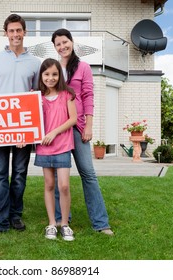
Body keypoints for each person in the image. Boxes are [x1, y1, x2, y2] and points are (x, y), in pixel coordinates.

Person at [0, 14, 41, 239]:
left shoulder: (35, 63)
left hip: (23, 128)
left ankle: (15, 214)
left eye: (19, 30)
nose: (15, 34)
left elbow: (35, 96)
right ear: (6, 33)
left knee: (20, 173)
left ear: (25, 32)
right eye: (11, 31)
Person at [51, 28, 114, 235]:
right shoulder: (53, 69)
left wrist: (88, 125)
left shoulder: (84, 67)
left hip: (77, 128)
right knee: (61, 177)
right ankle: (62, 219)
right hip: (58, 130)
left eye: (65, 42)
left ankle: (101, 223)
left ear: (72, 42)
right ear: (55, 47)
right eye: (58, 44)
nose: (62, 46)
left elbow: (88, 97)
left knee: (88, 174)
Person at [34, 58, 77, 241]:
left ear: (59, 75)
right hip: (44, 148)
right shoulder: (36, 97)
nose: (50, 78)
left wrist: (54, 132)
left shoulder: (67, 94)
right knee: (49, 184)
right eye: (46, 74)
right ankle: (52, 223)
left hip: (63, 146)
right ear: (41, 76)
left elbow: (73, 119)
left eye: (54, 74)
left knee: (64, 186)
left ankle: (65, 224)